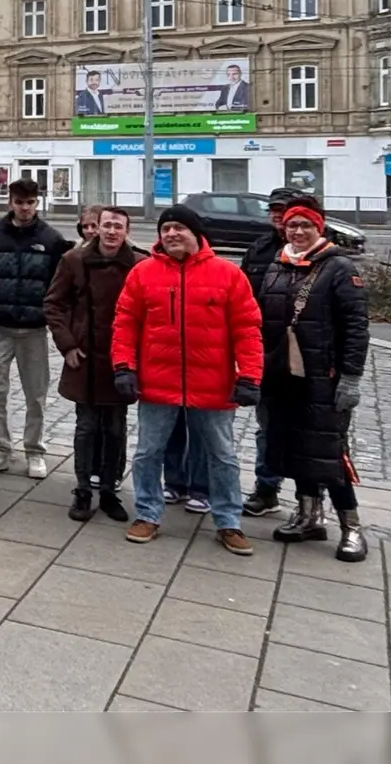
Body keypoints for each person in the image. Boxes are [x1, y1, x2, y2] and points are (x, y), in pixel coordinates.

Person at [112, 205, 263, 556]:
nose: (171, 234)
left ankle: (228, 521)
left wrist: (250, 376)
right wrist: (124, 366)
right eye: (166, 229)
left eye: (179, 228)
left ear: (196, 234)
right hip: (157, 382)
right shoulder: (143, 273)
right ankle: (148, 513)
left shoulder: (227, 275)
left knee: (222, 455)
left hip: (213, 384)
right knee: (148, 452)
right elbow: (125, 323)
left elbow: (247, 329)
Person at [257, 203, 369, 562]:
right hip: (284, 375)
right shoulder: (279, 265)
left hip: (325, 377)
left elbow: (356, 327)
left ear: (319, 229)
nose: (298, 232)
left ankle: (351, 526)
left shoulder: (338, 267)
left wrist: (350, 377)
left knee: (328, 453)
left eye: (305, 226)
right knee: (294, 447)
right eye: (292, 226)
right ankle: (308, 516)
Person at [45, 206, 144, 522]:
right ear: (96, 229)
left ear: (126, 231)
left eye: (119, 226)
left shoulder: (140, 264)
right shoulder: (74, 261)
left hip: (121, 359)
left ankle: (110, 490)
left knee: (115, 428)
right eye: (107, 225)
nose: (112, 231)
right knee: (86, 426)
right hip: (84, 357)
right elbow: (54, 304)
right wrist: (67, 344)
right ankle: (83, 488)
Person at [0, 178, 68, 479]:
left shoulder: (51, 238)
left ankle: (35, 451)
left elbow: (58, 286)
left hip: (33, 330)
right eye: (20, 202)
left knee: (36, 394)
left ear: (37, 203)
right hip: (0, 329)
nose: (25, 208)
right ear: (10, 203)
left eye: (30, 203)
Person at [239, 187, 308, 517]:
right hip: (266, 352)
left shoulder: (320, 252)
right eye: (274, 210)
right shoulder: (260, 247)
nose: (279, 216)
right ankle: (267, 489)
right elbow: (240, 294)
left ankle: (312, 502)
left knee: (311, 430)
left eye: (285, 210)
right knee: (268, 426)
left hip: (308, 357)